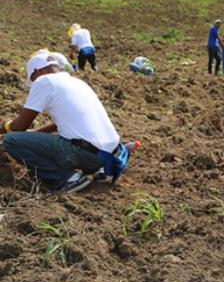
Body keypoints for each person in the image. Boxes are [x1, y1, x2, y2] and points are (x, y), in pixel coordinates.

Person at [2, 54, 131, 193]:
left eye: (32, 80)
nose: (33, 84)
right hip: (109, 154)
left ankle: (66, 178)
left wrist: (5, 126)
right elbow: (60, 124)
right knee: (65, 141)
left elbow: (19, 127)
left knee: (11, 140)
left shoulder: (44, 81)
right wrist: (32, 135)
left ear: (37, 72)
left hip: (87, 154)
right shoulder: (78, 82)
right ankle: (95, 171)